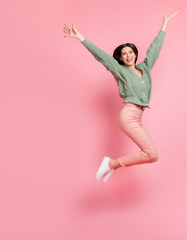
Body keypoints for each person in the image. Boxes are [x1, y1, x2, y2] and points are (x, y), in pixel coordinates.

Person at [63, 12, 178, 183]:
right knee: (151, 154)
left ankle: (112, 165)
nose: (128, 55)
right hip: (128, 115)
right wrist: (81, 38)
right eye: (124, 54)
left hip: (138, 117)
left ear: (135, 54)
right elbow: (103, 57)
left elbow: (154, 50)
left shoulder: (145, 68)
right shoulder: (120, 71)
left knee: (152, 155)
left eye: (130, 52)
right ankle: (111, 164)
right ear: (120, 58)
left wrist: (163, 26)